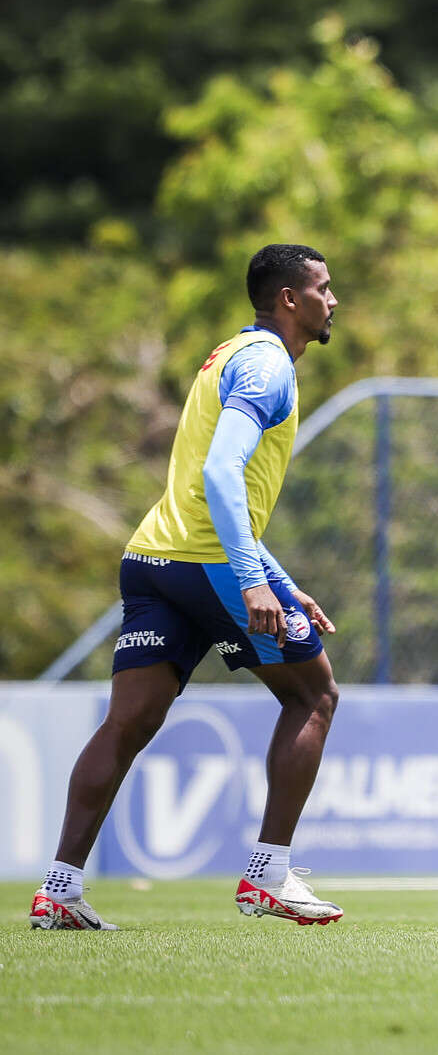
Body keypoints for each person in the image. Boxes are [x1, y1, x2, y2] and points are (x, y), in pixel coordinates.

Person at [32, 245, 345, 930]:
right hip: (209, 563)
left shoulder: (228, 354)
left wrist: (284, 583)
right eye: (323, 288)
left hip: (154, 556)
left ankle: (58, 888)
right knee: (315, 694)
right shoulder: (268, 366)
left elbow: (216, 491)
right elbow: (221, 476)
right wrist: (251, 580)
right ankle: (269, 874)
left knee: (129, 721)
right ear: (289, 299)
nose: (333, 300)